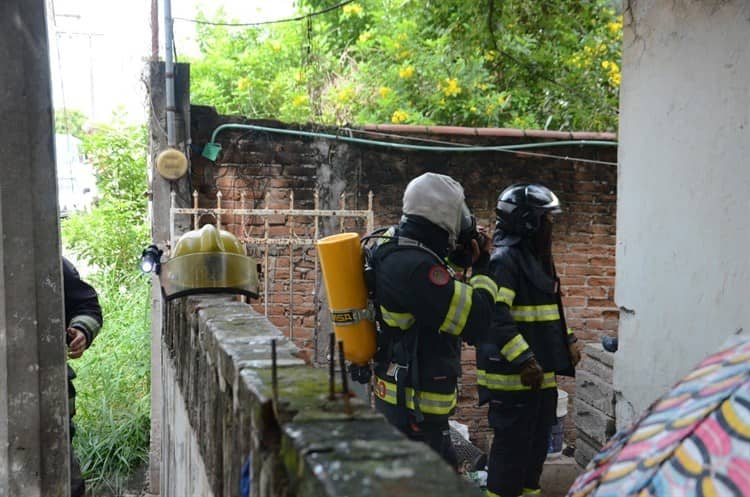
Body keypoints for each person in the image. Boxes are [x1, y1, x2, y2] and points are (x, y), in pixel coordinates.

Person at [356, 172, 497, 468]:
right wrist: (483, 267)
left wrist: (460, 260)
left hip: (404, 401)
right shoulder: (414, 269)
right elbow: (479, 319)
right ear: (444, 216)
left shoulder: (396, 244)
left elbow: (432, 291)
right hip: (415, 410)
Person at [478, 184, 581, 497]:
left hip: (541, 379)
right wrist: (524, 359)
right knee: (510, 459)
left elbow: (548, 314)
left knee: (534, 459)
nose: (551, 226)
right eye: (547, 219)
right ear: (528, 222)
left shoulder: (536, 260)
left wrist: (569, 340)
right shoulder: (504, 261)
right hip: (513, 380)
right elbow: (496, 317)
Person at [63, 256, 103, 497]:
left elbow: (88, 307)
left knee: (66, 481)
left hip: (46, 398)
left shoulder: (49, 262)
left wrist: (81, 330)